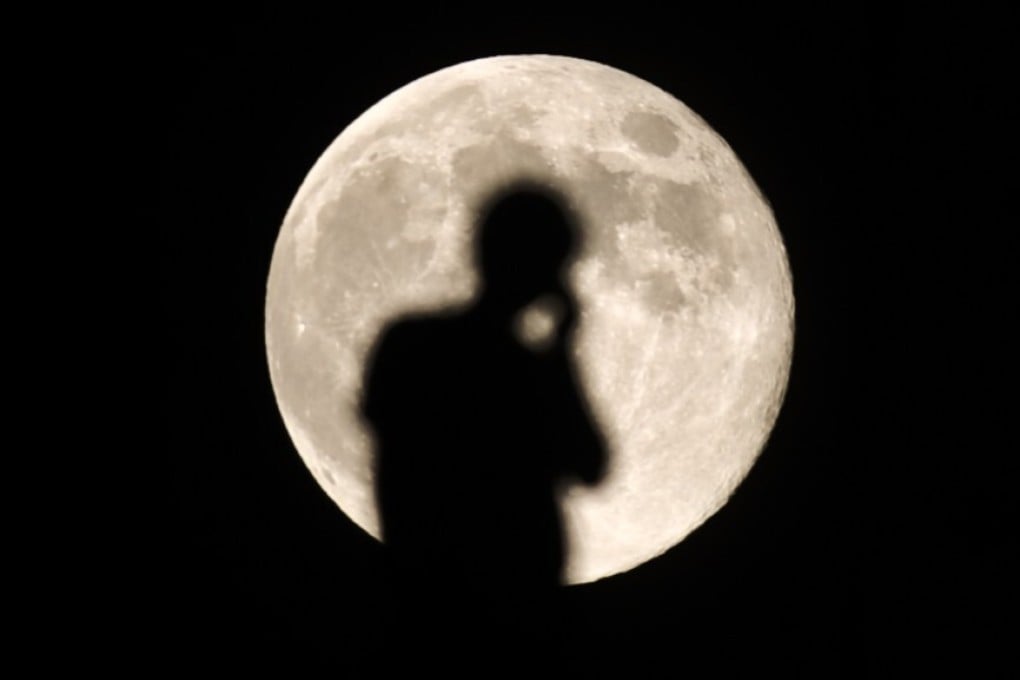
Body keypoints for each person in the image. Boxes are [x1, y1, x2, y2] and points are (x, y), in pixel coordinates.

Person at [361, 182, 607, 663]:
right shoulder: (522, 369)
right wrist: (560, 353)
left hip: (436, 610)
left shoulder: (410, 343)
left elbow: (590, 465)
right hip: (489, 620)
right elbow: (590, 464)